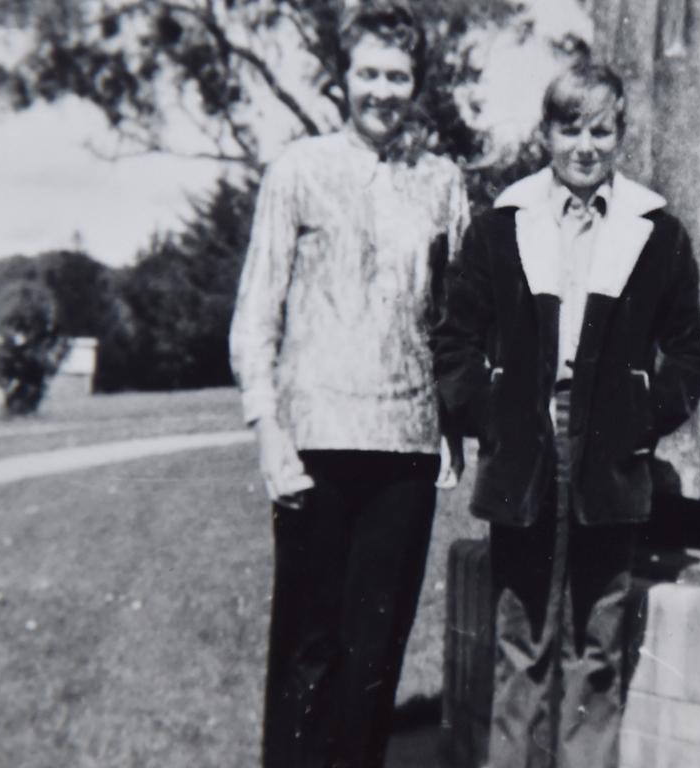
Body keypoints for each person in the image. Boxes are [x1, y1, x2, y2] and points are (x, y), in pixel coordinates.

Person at [433, 62, 700, 768]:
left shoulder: (655, 232)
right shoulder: (504, 225)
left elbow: (691, 349)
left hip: (609, 457)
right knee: (520, 639)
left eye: (601, 130)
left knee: (598, 641)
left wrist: (641, 415)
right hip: (526, 449)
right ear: (545, 134)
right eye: (569, 129)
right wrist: (488, 414)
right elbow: (455, 337)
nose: (584, 146)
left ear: (620, 133)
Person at [228, 3, 468, 767]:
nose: (383, 90)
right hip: (315, 443)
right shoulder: (297, 170)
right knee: (310, 647)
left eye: (398, 76)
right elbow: (255, 311)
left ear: (417, 84)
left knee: (375, 658)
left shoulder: (441, 183)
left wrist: (454, 425)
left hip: (404, 448)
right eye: (369, 73)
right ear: (344, 78)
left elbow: (455, 320)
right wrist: (267, 427)